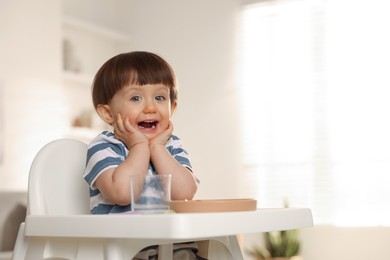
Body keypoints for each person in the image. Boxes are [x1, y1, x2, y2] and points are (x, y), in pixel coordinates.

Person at [83, 51, 200, 259]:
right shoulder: (104, 146)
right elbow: (121, 194)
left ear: (171, 107)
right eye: (135, 98)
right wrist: (139, 146)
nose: (150, 107)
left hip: (174, 246)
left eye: (159, 97)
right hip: (125, 249)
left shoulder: (171, 145)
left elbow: (185, 193)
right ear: (108, 113)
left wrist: (157, 149)